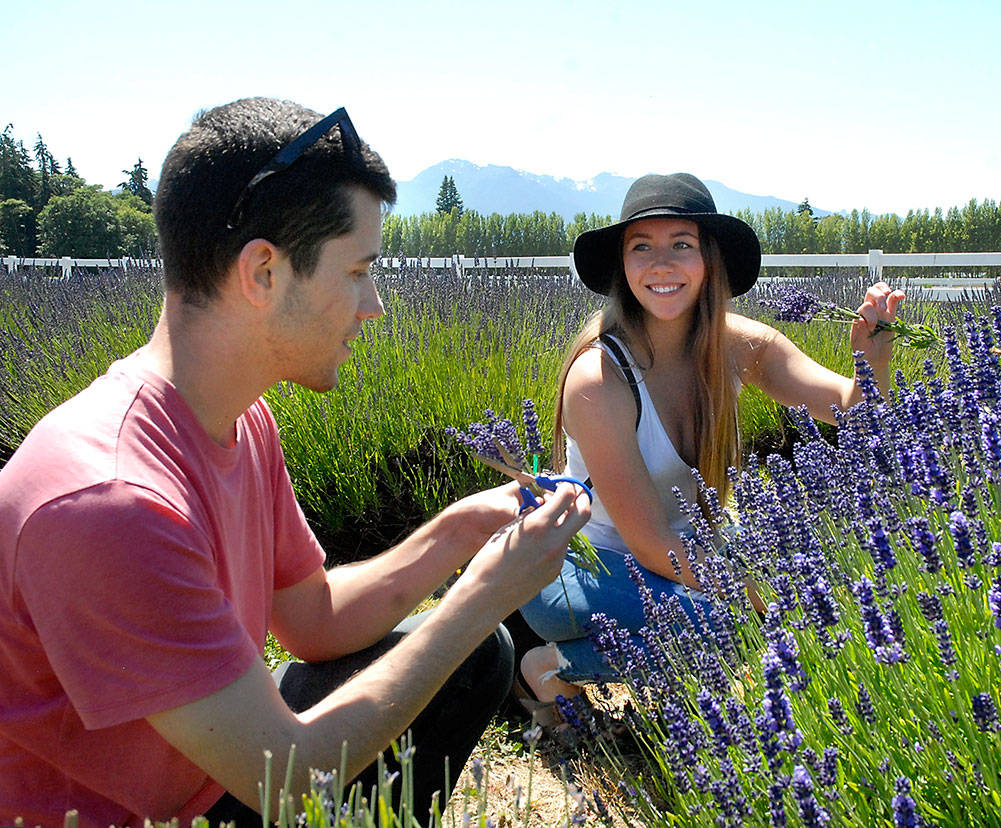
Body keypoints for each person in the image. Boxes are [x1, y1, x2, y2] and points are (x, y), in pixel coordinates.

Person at [0, 98, 589, 827]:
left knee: (476, 660)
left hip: (217, 770)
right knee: (468, 635)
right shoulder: (109, 500)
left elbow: (311, 620)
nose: (374, 306)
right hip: (141, 811)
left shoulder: (241, 419)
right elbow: (287, 783)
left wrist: (458, 533)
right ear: (263, 273)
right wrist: (485, 594)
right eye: (358, 272)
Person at [517, 173, 904, 712]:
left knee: (824, 578)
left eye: (681, 244)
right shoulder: (599, 377)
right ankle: (548, 665)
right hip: (583, 569)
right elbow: (648, 543)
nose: (661, 263)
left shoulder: (738, 345)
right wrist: (751, 597)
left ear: (709, 260)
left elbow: (850, 412)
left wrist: (873, 362)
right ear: (622, 266)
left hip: (688, 553)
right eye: (642, 247)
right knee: (721, 630)